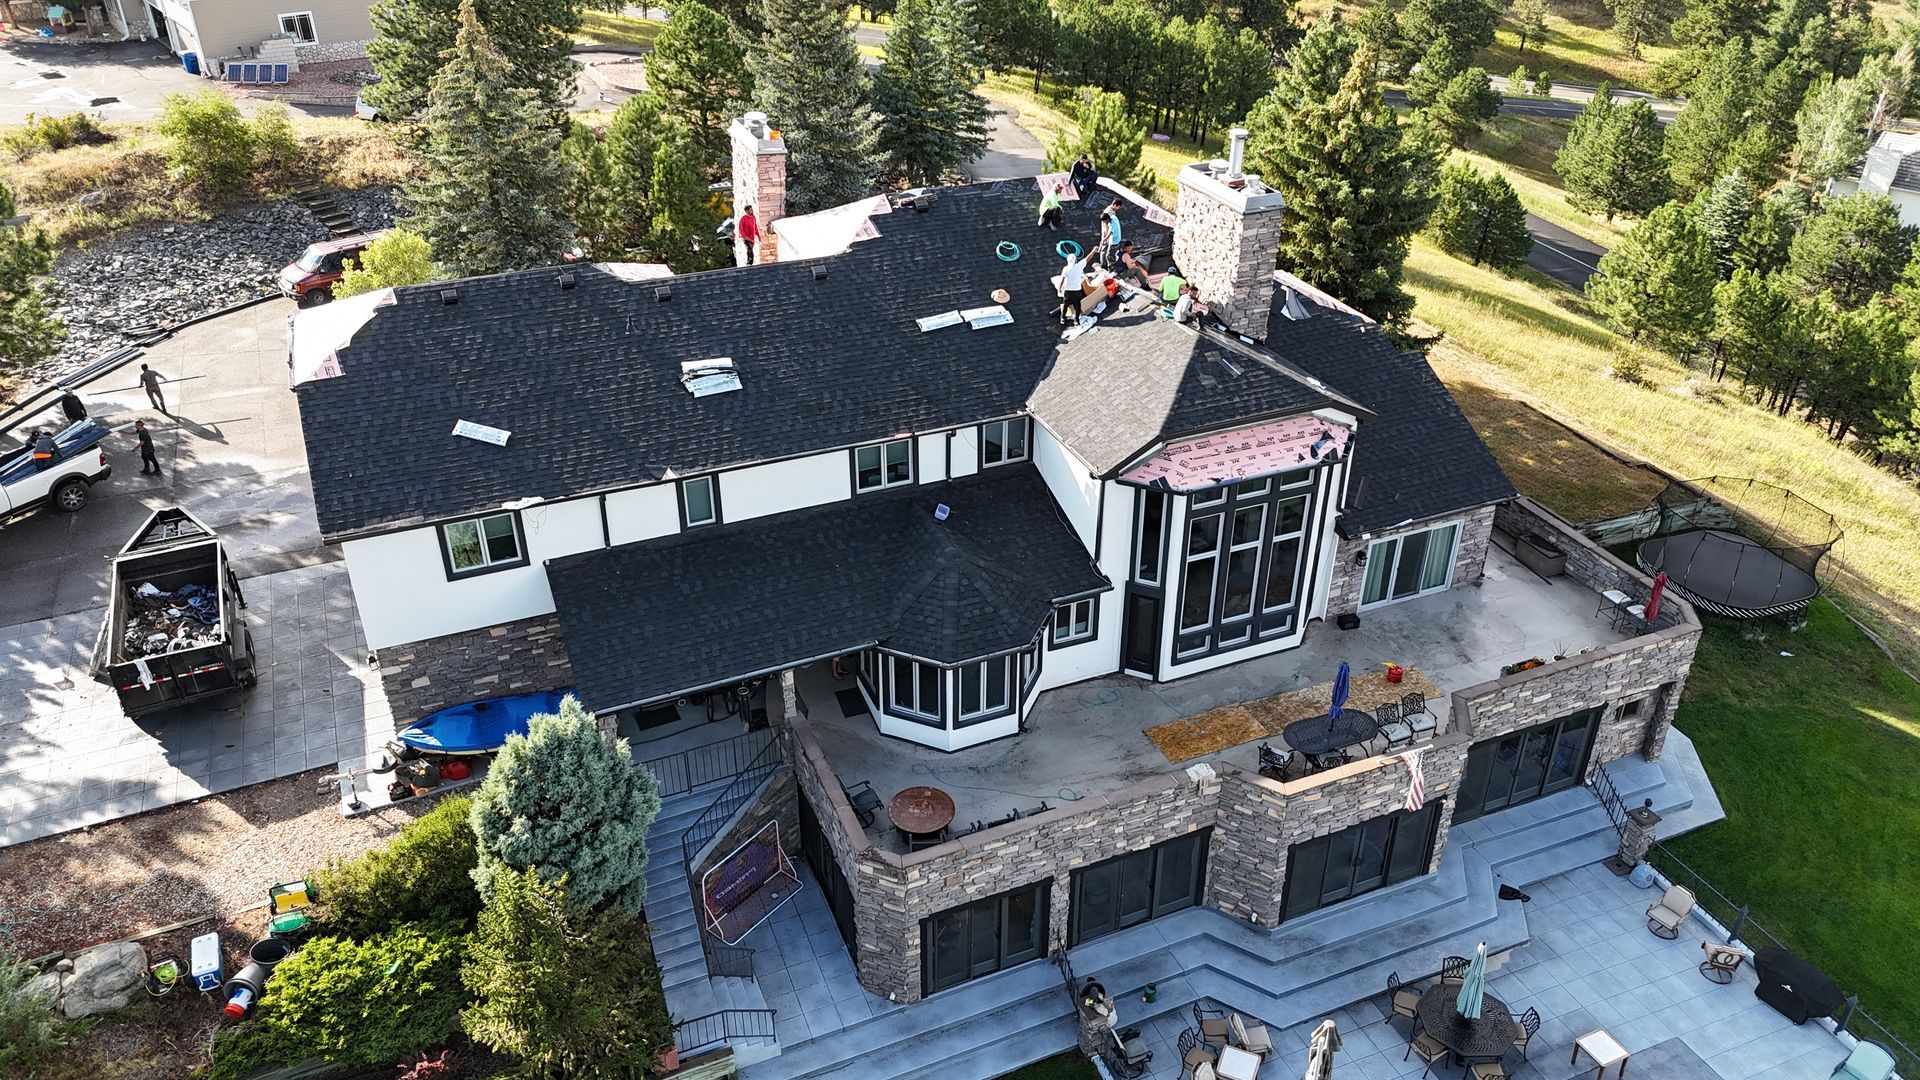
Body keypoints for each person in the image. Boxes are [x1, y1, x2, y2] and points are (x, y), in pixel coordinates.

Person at [1058, 253, 1087, 326]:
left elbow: (1062, 279)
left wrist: (1059, 288)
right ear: (1075, 260)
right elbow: (1088, 258)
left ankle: (1063, 318)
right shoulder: (1079, 266)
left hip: (1068, 291)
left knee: (1065, 305)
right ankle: (1076, 321)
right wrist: (1093, 250)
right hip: (1077, 291)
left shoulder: (1066, 269)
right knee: (1077, 306)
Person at [1096, 198, 1123, 264]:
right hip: (1106, 232)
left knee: (1108, 250)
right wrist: (1106, 238)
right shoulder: (1108, 212)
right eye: (1118, 207)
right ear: (1114, 205)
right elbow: (1105, 225)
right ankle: (1103, 264)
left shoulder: (1112, 210)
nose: (1118, 209)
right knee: (1104, 249)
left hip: (1111, 231)